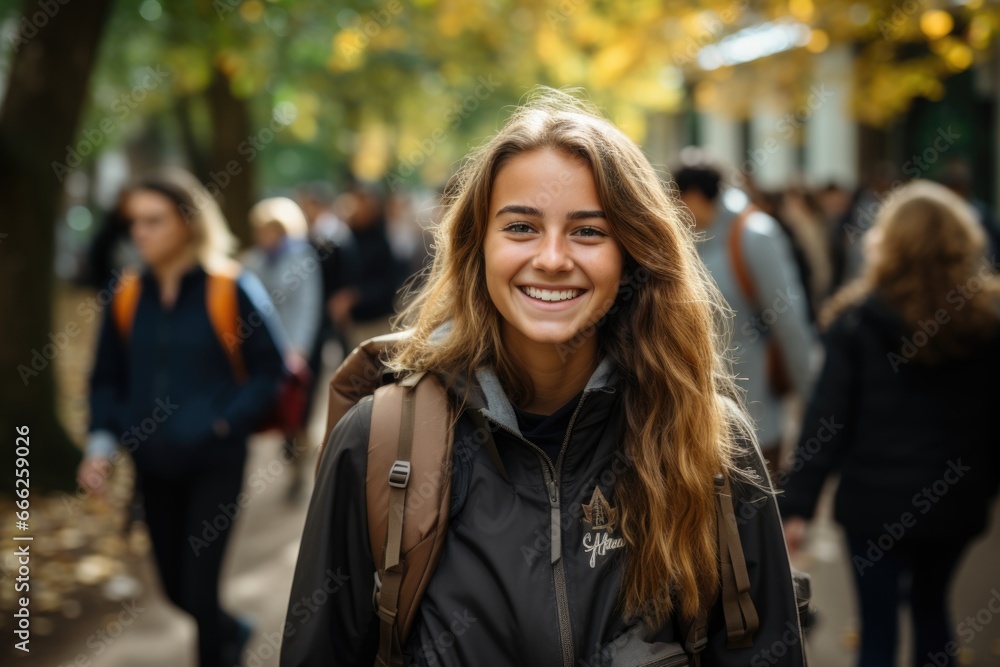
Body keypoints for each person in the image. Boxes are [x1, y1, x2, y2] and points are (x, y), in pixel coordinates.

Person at [279, 90, 806, 666]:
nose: (553, 257)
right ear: (477, 247)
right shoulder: (377, 442)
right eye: (522, 227)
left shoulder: (710, 443)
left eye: (588, 232)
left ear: (634, 254)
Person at [779, 180, 1000, 667]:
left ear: (888, 241)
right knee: (931, 607)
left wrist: (798, 504)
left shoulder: (857, 320)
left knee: (876, 628)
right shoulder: (986, 320)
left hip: (872, 508)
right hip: (954, 504)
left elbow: (827, 420)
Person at [78, 167, 285, 667]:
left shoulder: (230, 289)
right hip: (152, 465)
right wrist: (101, 443)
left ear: (189, 223)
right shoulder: (127, 295)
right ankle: (233, 630)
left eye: (154, 221)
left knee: (199, 582)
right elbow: (106, 378)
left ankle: (220, 651)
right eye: (135, 223)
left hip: (215, 461)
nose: (140, 233)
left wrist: (222, 422)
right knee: (175, 590)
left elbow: (270, 370)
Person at [675, 154, 817, 473]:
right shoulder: (690, 237)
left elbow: (790, 323)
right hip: (698, 421)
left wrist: (815, 406)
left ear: (695, 197)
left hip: (757, 418)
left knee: (756, 514)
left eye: (678, 201)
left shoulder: (755, 234)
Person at [242, 196, 324, 501]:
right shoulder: (252, 260)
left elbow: (307, 307)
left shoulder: (301, 257)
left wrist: (298, 350)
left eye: (272, 230)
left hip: (296, 348)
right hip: (263, 350)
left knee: (297, 412)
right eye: (262, 231)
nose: (267, 237)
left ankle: (300, 471)